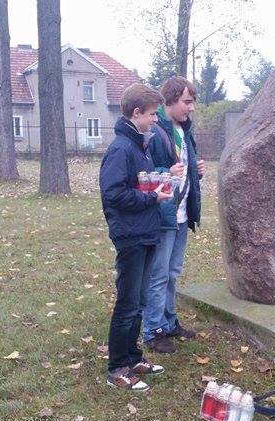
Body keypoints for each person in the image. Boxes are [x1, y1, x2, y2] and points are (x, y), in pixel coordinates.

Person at [98, 83, 174, 391]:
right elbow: (113, 195)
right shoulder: (121, 149)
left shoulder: (137, 147)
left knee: (140, 301)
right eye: (153, 114)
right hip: (130, 236)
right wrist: (151, 199)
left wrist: (156, 191)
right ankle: (117, 367)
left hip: (145, 233)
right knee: (128, 303)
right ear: (136, 113)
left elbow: (138, 187)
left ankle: (133, 356)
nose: (156, 120)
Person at [141, 76, 205, 354]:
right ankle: (152, 329)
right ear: (170, 100)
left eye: (192, 103)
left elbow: (184, 171)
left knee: (172, 273)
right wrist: (167, 173)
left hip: (180, 216)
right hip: (162, 215)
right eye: (187, 102)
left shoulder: (184, 131)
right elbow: (143, 173)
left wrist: (196, 171)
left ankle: (168, 322)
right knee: (158, 275)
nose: (191, 108)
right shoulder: (155, 131)